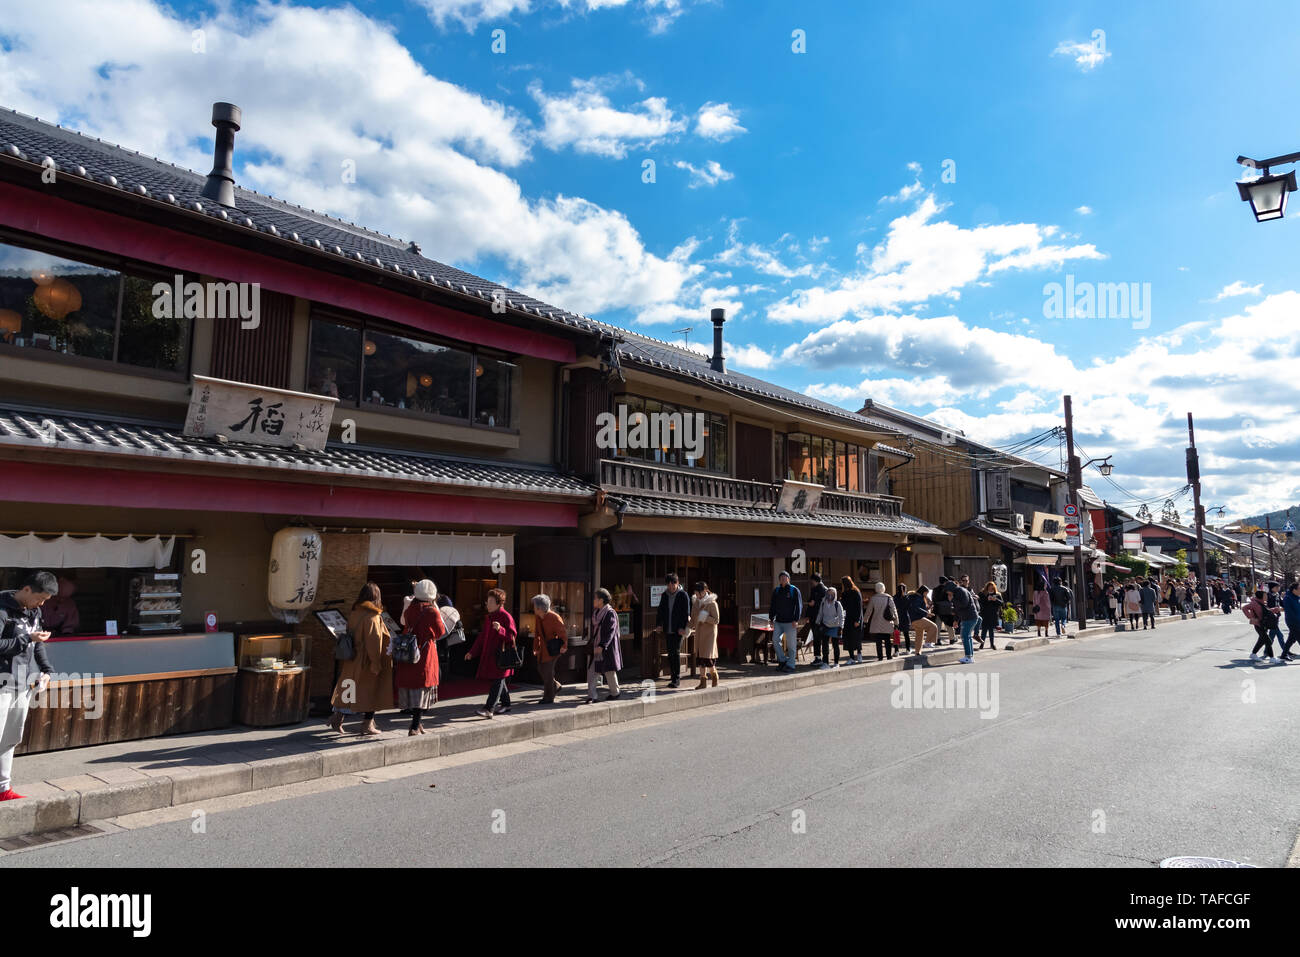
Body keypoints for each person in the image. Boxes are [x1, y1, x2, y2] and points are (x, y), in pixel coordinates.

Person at [0, 571, 56, 801]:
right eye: (39, 598)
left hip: (22, 683)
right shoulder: (3, 609)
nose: (41, 604)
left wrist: (46, 669)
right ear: (26, 589)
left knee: (10, 737)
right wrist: (27, 639)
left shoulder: (35, 611)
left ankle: (3, 788)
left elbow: (38, 642)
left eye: (44, 601)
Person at [329, 582, 393, 736]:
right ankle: (367, 725)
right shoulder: (372, 616)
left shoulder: (355, 612)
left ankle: (337, 718)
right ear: (376, 596)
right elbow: (374, 641)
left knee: (348, 688)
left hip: (352, 658)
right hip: (366, 661)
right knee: (371, 693)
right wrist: (376, 663)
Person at [394, 579, 445, 735]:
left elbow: (404, 622)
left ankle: (418, 724)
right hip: (425, 653)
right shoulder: (431, 611)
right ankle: (415, 726)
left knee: (414, 687)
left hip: (410, 653)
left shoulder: (410, 609)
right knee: (423, 688)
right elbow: (440, 631)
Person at [467, 588, 517, 717]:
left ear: (499, 603)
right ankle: (506, 704)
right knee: (499, 680)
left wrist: (500, 629)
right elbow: (482, 637)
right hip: (491, 656)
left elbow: (512, 638)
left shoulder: (506, 616)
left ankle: (489, 708)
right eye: (487, 601)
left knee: (498, 681)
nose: (487, 604)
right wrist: (472, 652)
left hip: (502, 657)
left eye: (490, 601)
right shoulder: (489, 617)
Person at [585, 588, 622, 702]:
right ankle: (592, 696)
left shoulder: (610, 613)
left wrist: (602, 645)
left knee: (609, 671)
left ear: (601, 600)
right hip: (598, 646)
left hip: (607, 647)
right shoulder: (596, 612)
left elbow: (610, 632)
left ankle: (615, 693)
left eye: (595, 598)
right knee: (592, 671)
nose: (594, 600)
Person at [531, 594, 568, 704]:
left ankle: (548, 697)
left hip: (553, 649)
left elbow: (563, 633)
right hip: (543, 649)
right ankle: (556, 685)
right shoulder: (538, 617)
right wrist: (536, 647)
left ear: (539, 608)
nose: (533, 608)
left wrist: (564, 646)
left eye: (534, 606)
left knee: (547, 672)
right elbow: (537, 633)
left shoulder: (554, 617)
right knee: (541, 669)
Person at [657, 573, 691, 687]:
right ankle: (673, 676)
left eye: (673, 585)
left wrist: (683, 627)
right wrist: (659, 624)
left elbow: (686, 613)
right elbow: (660, 611)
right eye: (669, 585)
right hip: (668, 628)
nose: (670, 587)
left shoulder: (683, 595)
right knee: (670, 653)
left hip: (678, 629)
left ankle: (676, 679)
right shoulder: (665, 595)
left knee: (675, 652)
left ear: (677, 583)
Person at [768, 570, 803, 673]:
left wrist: (796, 620)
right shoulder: (777, 590)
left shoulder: (794, 590)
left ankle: (791, 664)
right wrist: (771, 618)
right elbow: (773, 605)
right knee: (775, 640)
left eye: (785, 577)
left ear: (788, 579)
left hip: (790, 622)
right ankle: (782, 660)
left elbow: (799, 606)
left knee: (791, 645)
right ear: (779, 580)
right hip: (778, 621)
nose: (783, 579)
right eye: (781, 577)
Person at [691, 582, 721, 689]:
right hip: (699, 633)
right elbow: (693, 618)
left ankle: (714, 676)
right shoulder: (695, 603)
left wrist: (705, 617)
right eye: (695, 592)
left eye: (697, 592)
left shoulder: (712, 603)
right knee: (700, 658)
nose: (696, 595)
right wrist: (686, 628)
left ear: (704, 591)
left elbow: (716, 620)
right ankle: (703, 681)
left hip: (709, 635)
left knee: (708, 659)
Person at [1243, 589, 1280, 663]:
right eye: (1265, 595)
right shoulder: (1254, 603)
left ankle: (1253, 654)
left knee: (1262, 640)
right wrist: (1251, 617)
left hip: (1263, 623)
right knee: (1268, 641)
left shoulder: (1262, 603)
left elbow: (1265, 612)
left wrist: (1274, 609)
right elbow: (1244, 608)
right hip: (1258, 624)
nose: (1266, 596)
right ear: (1261, 596)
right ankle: (1272, 658)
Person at [865, 581, 898, 662]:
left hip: (876, 623)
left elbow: (868, 611)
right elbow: (894, 611)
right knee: (887, 640)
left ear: (876, 589)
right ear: (884, 589)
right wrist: (897, 622)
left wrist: (865, 620)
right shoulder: (889, 598)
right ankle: (889, 656)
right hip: (887, 622)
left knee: (878, 641)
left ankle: (880, 657)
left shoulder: (873, 598)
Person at [814, 585, 844, 669]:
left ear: (835, 595)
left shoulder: (837, 604)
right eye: (828, 593)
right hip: (825, 625)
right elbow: (820, 613)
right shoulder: (823, 602)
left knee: (835, 645)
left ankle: (836, 663)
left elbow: (841, 616)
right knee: (824, 645)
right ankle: (825, 663)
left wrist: (841, 627)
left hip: (835, 626)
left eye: (832, 594)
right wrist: (817, 623)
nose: (830, 595)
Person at [952, 575, 979, 663]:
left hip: (969, 617)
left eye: (966, 580)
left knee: (964, 636)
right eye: (963, 580)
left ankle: (968, 656)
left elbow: (962, 606)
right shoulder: (963, 591)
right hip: (971, 616)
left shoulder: (961, 592)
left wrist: (953, 601)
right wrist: (956, 620)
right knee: (968, 636)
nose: (965, 582)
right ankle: (970, 656)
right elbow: (960, 609)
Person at [907, 585, 938, 654]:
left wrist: (928, 609)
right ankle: (928, 642)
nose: (927, 594)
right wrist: (927, 613)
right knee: (933, 627)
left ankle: (918, 652)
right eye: (926, 593)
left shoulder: (914, 596)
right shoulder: (917, 597)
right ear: (923, 592)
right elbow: (916, 608)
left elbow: (918, 608)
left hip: (913, 619)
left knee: (919, 636)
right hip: (917, 618)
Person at [932, 576, 957, 645]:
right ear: (946, 582)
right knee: (949, 624)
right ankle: (952, 639)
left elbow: (933, 599)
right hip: (947, 609)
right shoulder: (947, 589)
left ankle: (937, 640)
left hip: (938, 609)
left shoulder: (935, 589)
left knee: (938, 625)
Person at [978, 582, 1003, 650]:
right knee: (984, 630)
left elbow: (1002, 603)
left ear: (994, 587)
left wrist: (995, 600)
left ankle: (992, 644)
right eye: (989, 587)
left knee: (991, 630)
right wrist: (987, 599)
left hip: (993, 614)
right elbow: (980, 601)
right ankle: (982, 644)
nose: (991, 589)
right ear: (987, 587)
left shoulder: (997, 594)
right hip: (985, 614)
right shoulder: (983, 593)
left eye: (992, 588)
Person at [1279, 581, 1300, 661]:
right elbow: (1290, 613)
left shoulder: (1297, 598)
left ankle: (1283, 655)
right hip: (1293, 622)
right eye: (1299, 589)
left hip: (1298, 621)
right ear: (1294, 590)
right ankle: (1283, 655)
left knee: (1291, 639)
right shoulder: (1288, 598)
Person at [894, 582, 912, 655]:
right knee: (906, 635)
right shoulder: (907, 598)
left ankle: (896, 651)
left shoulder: (894, 597)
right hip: (905, 617)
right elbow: (909, 607)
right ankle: (908, 650)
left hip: (897, 617)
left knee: (896, 634)